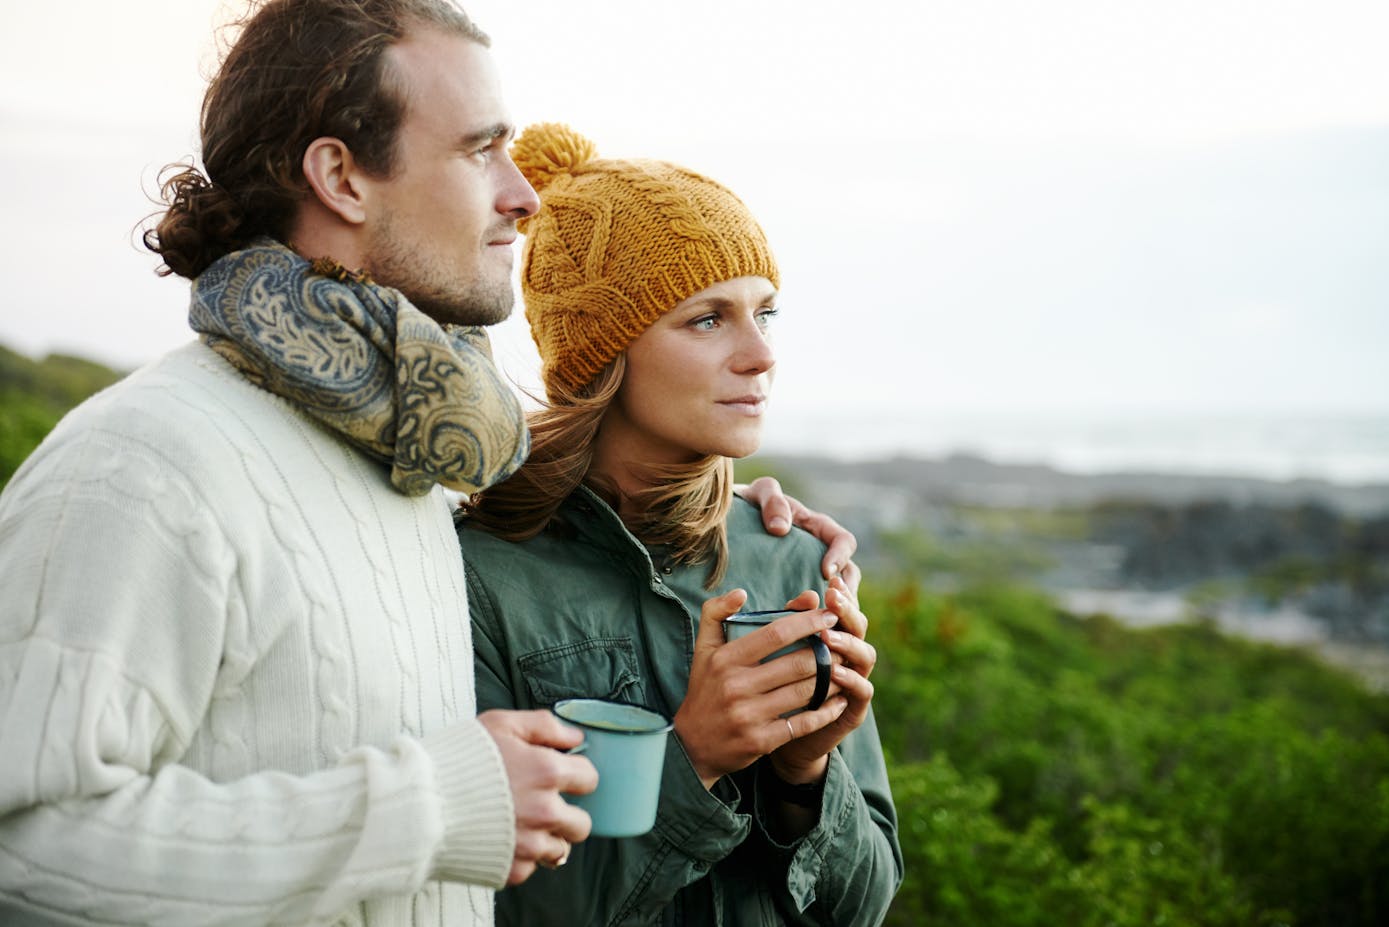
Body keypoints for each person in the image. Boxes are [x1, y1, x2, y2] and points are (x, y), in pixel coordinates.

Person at [0, 2, 856, 924]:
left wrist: (725, 508)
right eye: (480, 149)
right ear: (341, 177)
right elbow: (23, 850)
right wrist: (437, 803)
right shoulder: (144, 467)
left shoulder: (416, 471)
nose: (524, 194)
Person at [456, 124, 903, 926]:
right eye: (707, 319)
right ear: (605, 352)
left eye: (765, 313)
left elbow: (863, 906)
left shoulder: (793, 557)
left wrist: (805, 771)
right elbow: (484, 907)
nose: (760, 354)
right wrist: (692, 757)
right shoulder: (477, 576)